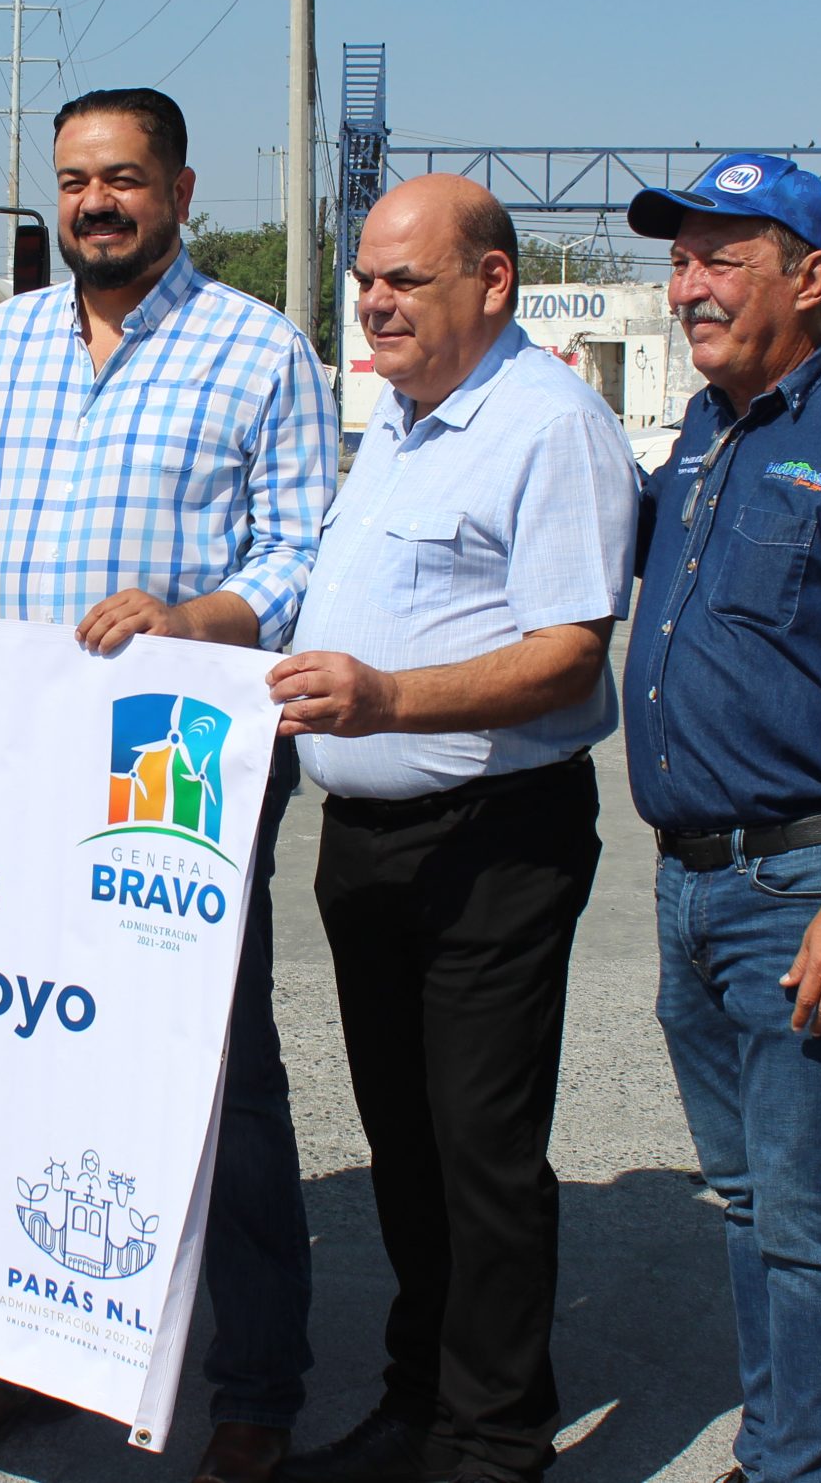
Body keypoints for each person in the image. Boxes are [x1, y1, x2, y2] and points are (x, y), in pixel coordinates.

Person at [0, 86, 336, 1483]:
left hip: (173, 757)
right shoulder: (1, 345)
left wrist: (202, 614)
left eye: (123, 178)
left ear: (180, 188)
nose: (95, 204)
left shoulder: (258, 351)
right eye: (73, 181)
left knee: (214, 1074)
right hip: (14, 756)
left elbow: (304, 549)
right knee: (15, 1055)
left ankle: (251, 1382)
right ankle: (23, 1355)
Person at [268, 176, 637, 1483]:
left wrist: (388, 695)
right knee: (405, 1148)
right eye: (366, 275)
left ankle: (492, 1443)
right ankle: (415, 1405)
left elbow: (566, 657)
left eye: (404, 280)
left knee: (481, 1156)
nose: (373, 299)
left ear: (492, 283)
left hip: (493, 838)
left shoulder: (550, 425)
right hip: (369, 844)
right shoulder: (402, 423)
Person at [621, 153, 821, 1483]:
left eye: (723, 258)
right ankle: (780, 1438)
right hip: (690, 886)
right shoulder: (702, 431)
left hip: (800, 887)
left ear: (813, 278)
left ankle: (800, 1464)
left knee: (807, 1213)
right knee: (750, 1196)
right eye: (681, 258)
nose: (690, 284)